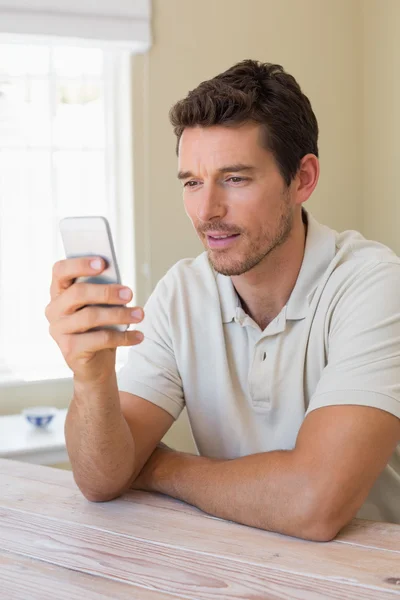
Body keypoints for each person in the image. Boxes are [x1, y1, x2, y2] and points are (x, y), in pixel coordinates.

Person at [46, 59, 400, 542]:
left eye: (235, 178)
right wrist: (92, 376)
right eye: (192, 181)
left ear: (303, 179)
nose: (207, 211)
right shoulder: (182, 292)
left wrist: (159, 466)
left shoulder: (374, 285)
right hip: (237, 571)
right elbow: (100, 477)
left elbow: (314, 503)